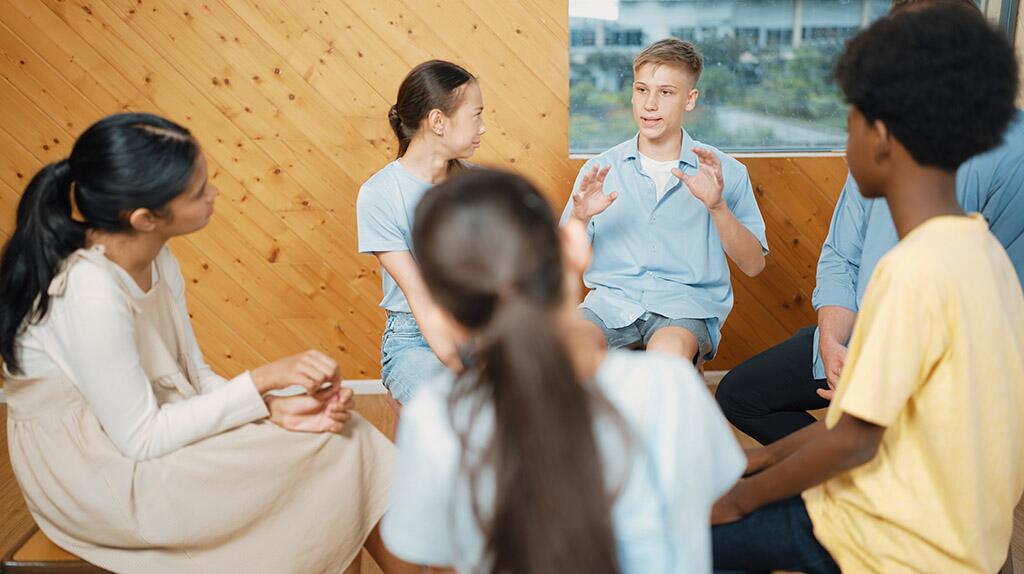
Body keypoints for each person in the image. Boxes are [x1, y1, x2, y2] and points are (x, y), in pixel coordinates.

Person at [0, 113, 410, 574]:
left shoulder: (157, 256)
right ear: (145, 218)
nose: (213, 194)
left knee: (339, 432)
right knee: (333, 455)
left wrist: (274, 406)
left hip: (145, 431)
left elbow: (193, 376)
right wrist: (264, 382)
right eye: (198, 191)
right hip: (100, 477)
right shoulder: (89, 288)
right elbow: (141, 438)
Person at [710, 6, 1023, 573]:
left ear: (880, 137)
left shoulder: (913, 272)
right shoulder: (976, 252)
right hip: (950, 528)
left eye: (849, 118)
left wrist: (735, 498)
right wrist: (754, 466)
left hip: (899, 542)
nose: (845, 133)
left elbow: (852, 440)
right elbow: (853, 423)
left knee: (693, 532)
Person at [381, 169, 746, 573]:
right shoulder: (669, 385)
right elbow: (716, 503)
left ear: (447, 317)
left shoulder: (437, 413)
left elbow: (428, 548)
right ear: (574, 249)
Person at [561, 38, 768, 365]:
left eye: (666, 92)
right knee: (566, 352)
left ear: (690, 99)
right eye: (642, 90)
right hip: (609, 306)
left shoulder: (726, 173)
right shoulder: (600, 170)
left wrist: (718, 207)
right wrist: (579, 219)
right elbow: (560, 263)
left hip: (684, 310)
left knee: (666, 358)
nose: (649, 104)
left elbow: (754, 265)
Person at [357, 60, 485, 406]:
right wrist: (474, 372)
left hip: (480, 327)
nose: (483, 127)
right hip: (413, 338)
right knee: (459, 410)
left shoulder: (478, 184)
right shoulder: (380, 194)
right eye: (476, 115)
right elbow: (422, 299)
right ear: (438, 122)